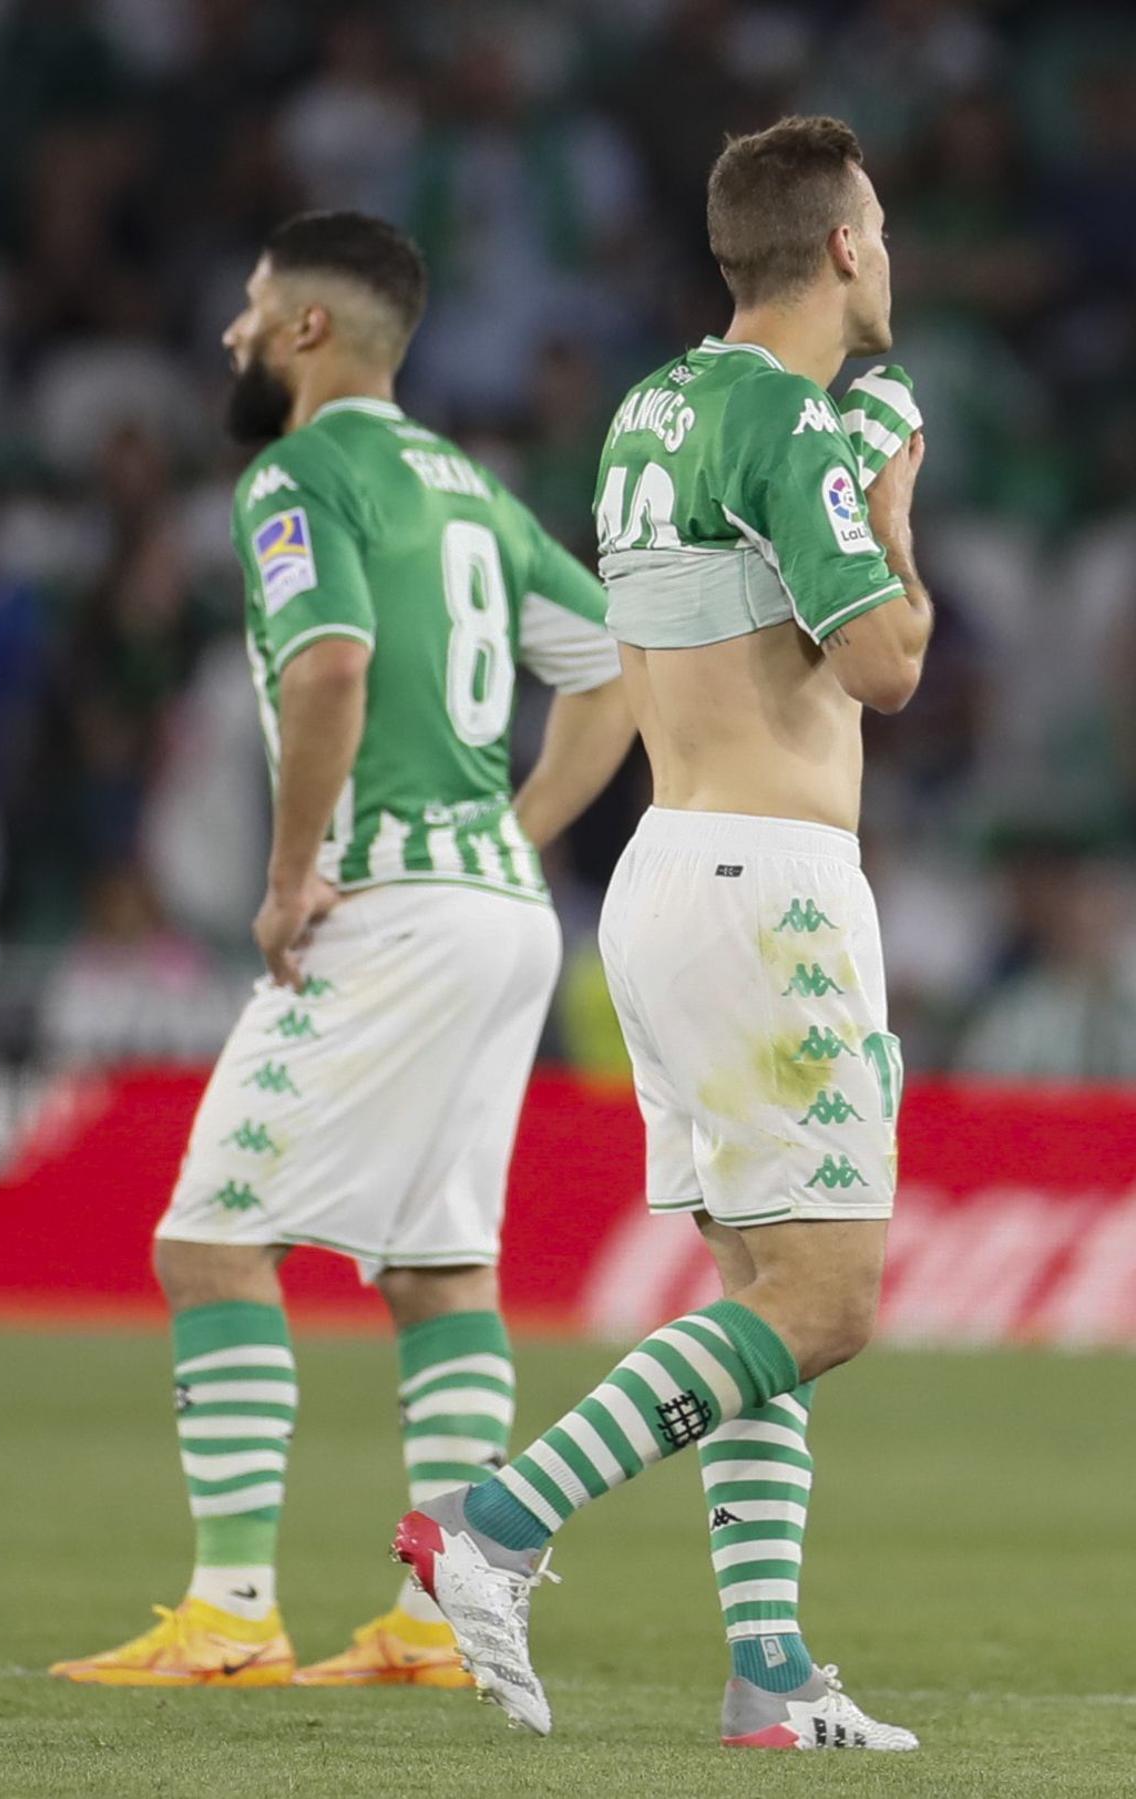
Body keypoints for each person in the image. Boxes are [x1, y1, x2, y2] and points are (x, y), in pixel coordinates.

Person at [394, 116, 933, 1752]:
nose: (893, 251)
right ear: (843, 245)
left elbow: (668, 654)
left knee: (759, 1290)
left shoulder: (658, 407)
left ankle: (765, 1674)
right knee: (826, 1302)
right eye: (885, 225)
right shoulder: (786, 422)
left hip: (667, 869)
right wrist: (890, 482)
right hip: (769, 888)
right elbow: (891, 663)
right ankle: (490, 1525)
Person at [51, 211, 633, 1688]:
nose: (235, 333)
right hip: (500, 911)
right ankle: (438, 1621)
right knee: (439, 1265)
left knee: (209, 1240)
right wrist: (522, 825)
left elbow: (330, 667)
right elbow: (616, 663)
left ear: (310, 329)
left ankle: (234, 1614)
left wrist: (288, 872)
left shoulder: (296, 475)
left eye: (252, 308)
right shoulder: (475, 491)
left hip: (387, 908)